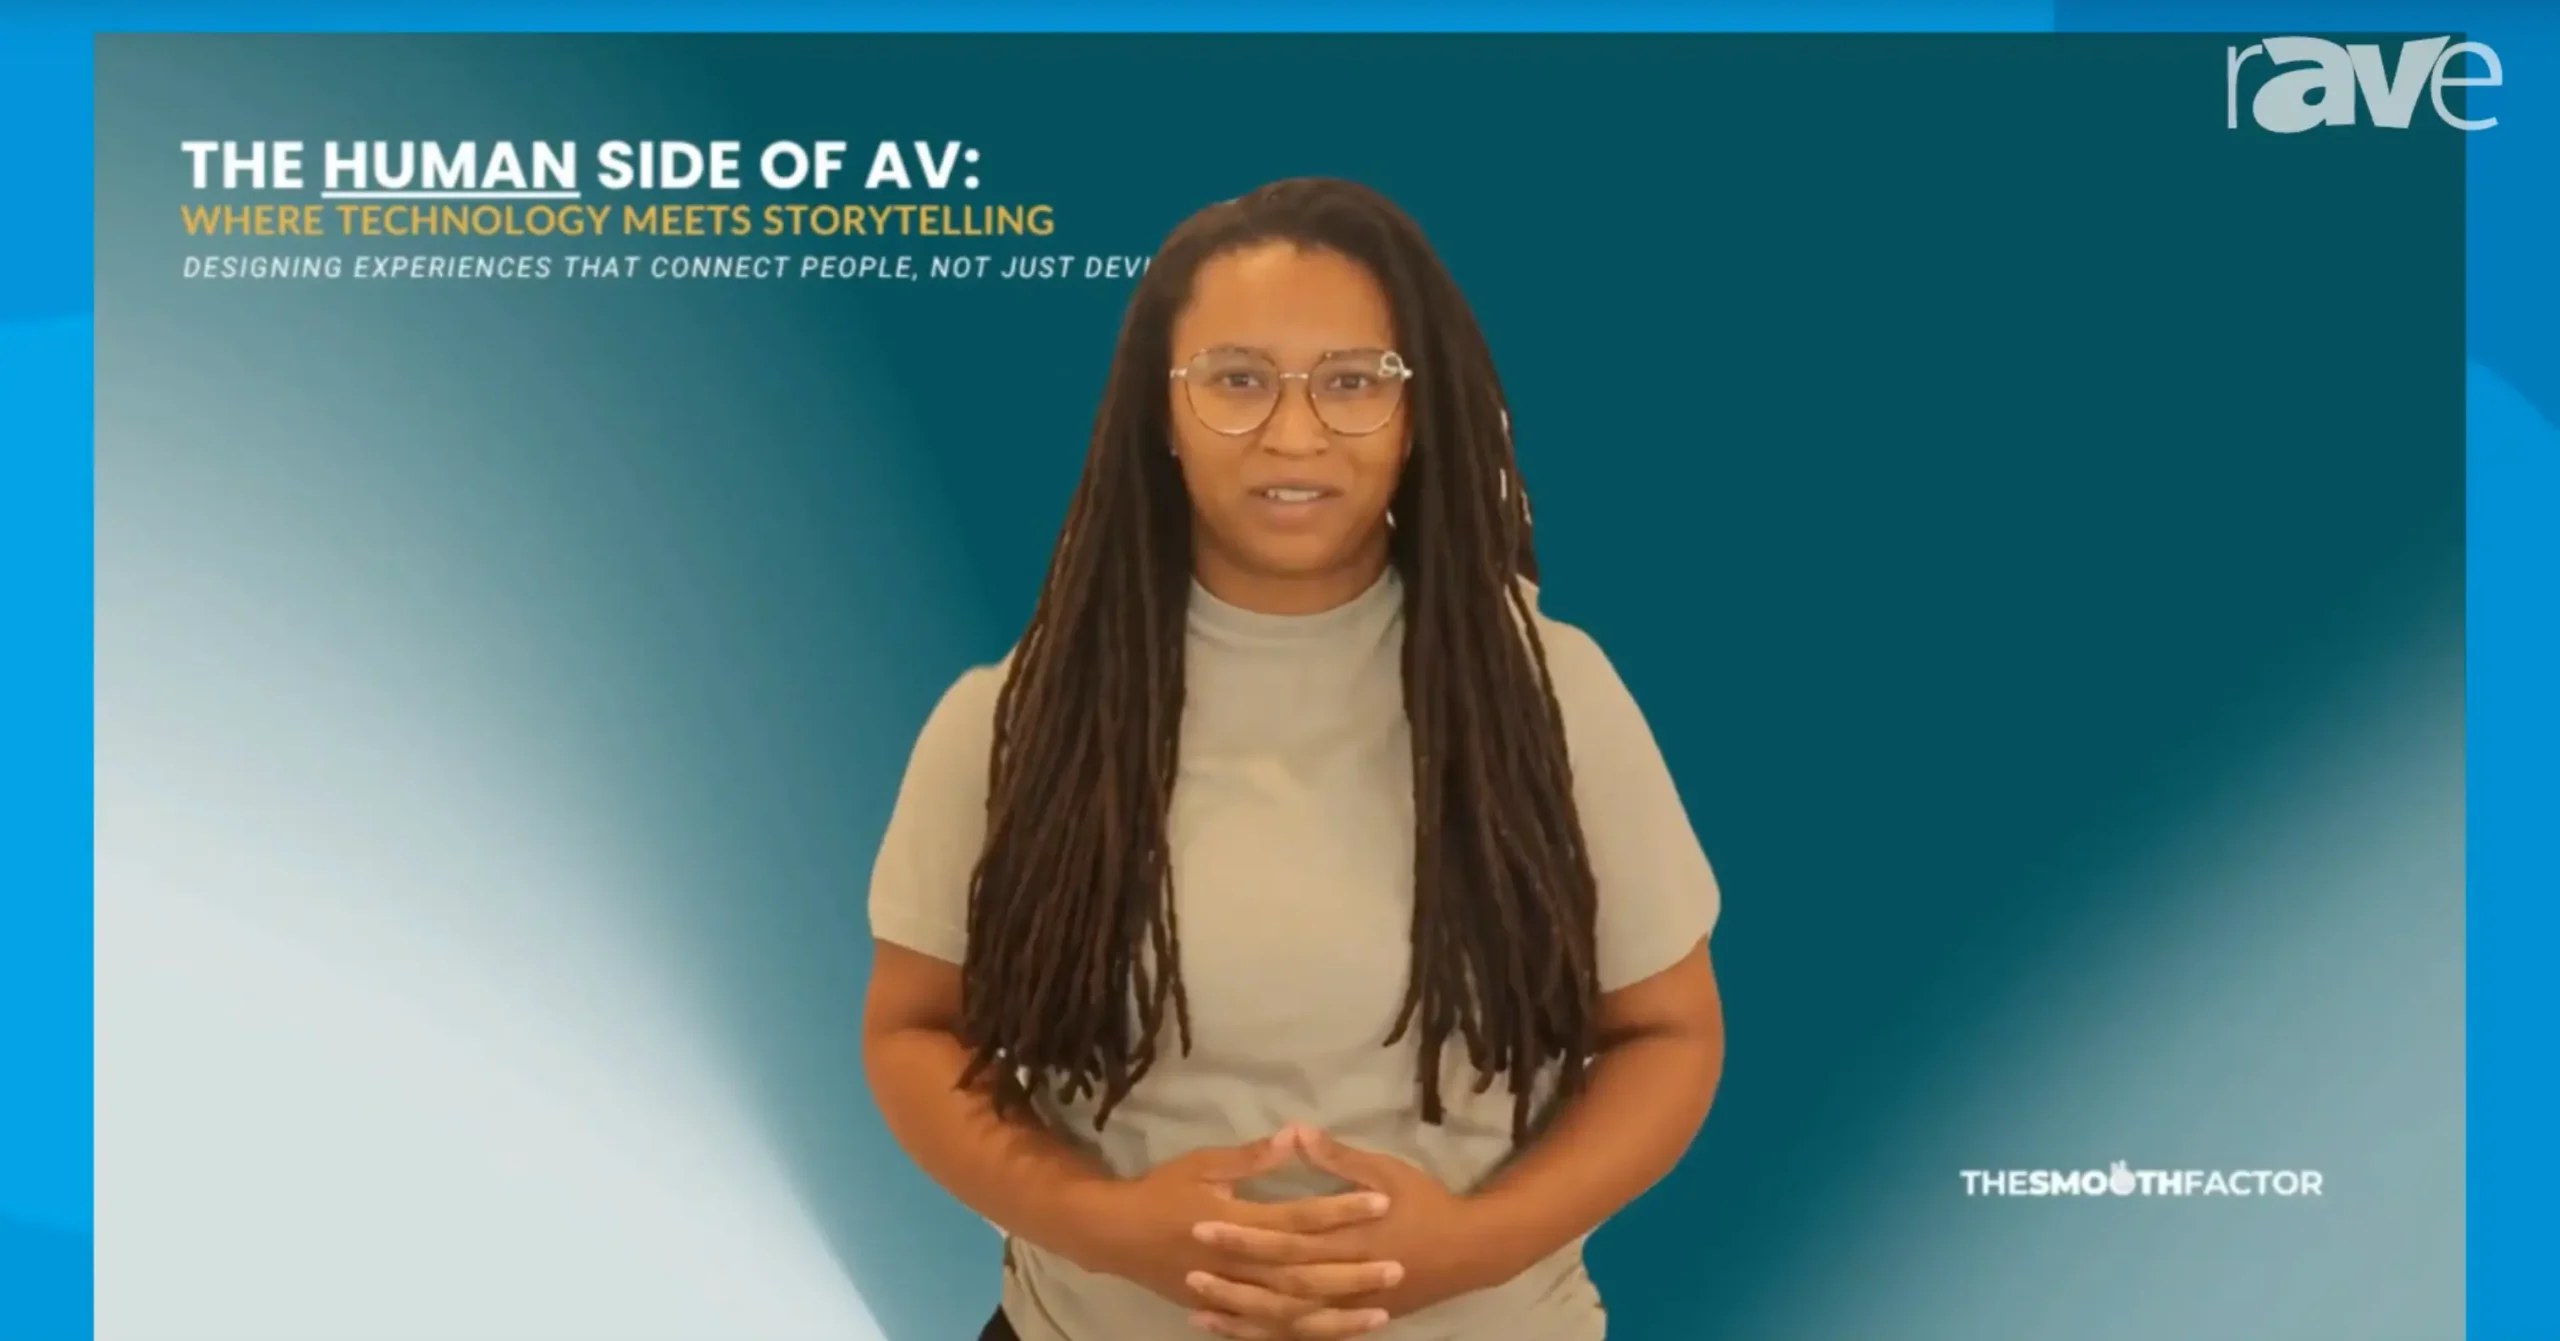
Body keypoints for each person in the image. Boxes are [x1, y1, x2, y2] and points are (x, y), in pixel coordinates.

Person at [863, 177, 1725, 1341]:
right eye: (1236, 380)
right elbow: (914, 1031)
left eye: (1353, 381)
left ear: (1416, 412)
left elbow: (1667, 1033)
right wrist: (1101, 1225)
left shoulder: (1553, 694)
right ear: (1159, 412)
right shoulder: (1014, 719)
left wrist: (1473, 1247)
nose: (1295, 432)